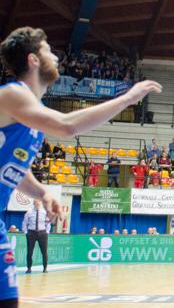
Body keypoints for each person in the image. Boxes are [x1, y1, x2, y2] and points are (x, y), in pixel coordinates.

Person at [0, 27, 160, 305]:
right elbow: (67, 126)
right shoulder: (13, 94)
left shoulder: (32, 111)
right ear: (33, 60)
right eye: (48, 51)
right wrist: (127, 99)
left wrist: (41, 192)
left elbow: (14, 167)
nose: (56, 57)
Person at [22, 200, 50, 273]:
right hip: (31, 233)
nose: (37, 205)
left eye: (39, 203)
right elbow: (24, 223)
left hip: (42, 233)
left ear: (41, 204)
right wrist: (26, 232)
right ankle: (29, 268)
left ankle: (45, 268)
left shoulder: (44, 212)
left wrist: (47, 232)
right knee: (29, 252)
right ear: (33, 204)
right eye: (36, 203)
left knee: (44, 252)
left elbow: (48, 223)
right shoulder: (29, 212)